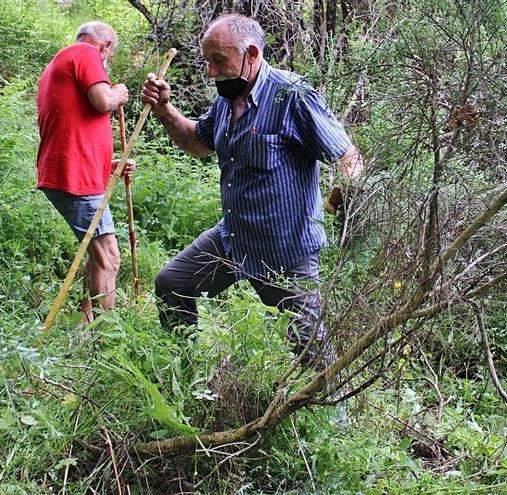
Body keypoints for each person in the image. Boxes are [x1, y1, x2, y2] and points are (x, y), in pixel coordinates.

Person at [141, 14, 363, 368]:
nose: (211, 72)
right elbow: (198, 143)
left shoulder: (292, 95)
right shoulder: (227, 99)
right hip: (233, 239)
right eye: (207, 61)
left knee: (310, 347)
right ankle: (186, 375)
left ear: (252, 53)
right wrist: (165, 110)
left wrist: (341, 196)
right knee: (172, 284)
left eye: (218, 60)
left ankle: (334, 403)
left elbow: (348, 156)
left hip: (285, 250)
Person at [37, 21, 135, 325]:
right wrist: (120, 93)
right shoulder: (85, 53)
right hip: (74, 177)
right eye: (110, 57)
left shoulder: (61, 63)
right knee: (109, 257)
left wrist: (109, 166)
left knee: (98, 255)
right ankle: (105, 337)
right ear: (105, 46)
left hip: (74, 171)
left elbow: (73, 127)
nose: (106, 63)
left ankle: (87, 323)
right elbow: (103, 101)